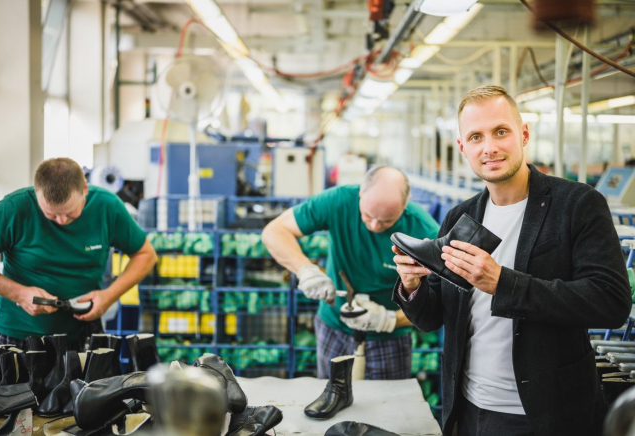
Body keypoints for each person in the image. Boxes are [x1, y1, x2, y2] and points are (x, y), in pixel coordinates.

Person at [391, 85, 631, 435]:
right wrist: (412, 286)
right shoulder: (461, 216)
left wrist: (503, 283)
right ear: (463, 148)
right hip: (469, 409)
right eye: (476, 137)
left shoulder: (577, 204)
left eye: (500, 132)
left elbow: (610, 303)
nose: (489, 147)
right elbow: (433, 318)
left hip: (549, 415)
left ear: (523, 134)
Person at [261, 166, 439, 379]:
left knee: (386, 406)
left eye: (386, 221)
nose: (374, 225)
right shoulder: (339, 201)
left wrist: (389, 320)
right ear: (361, 192)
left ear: (406, 203)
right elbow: (275, 231)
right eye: (367, 215)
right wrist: (306, 270)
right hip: (334, 326)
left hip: (389, 338)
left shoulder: (425, 232)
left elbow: (438, 305)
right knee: (333, 398)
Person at [0, 157, 157, 350]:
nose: (62, 221)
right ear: (37, 194)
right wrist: (19, 294)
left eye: (70, 213)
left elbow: (146, 255)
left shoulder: (107, 207)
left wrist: (109, 296)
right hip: (19, 335)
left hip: (84, 333)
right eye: (51, 214)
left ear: (85, 190)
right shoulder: (12, 209)